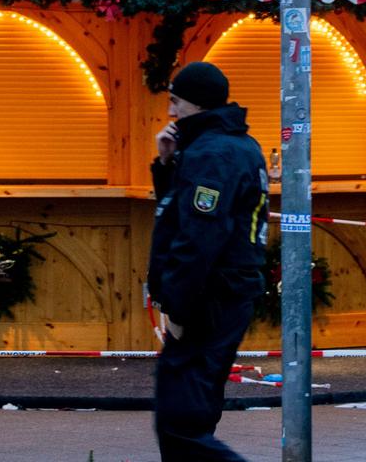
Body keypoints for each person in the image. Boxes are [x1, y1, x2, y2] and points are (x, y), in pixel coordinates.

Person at [147, 61, 268, 461]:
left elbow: (198, 235)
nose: (170, 112)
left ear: (195, 104)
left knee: (179, 420)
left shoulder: (213, 153)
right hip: (226, 292)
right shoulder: (232, 145)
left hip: (209, 296)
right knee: (193, 412)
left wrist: (178, 306)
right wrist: (165, 165)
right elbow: (183, 211)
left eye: (175, 101)